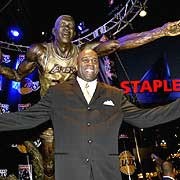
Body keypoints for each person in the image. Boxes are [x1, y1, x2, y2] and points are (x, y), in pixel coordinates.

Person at [1, 15, 180, 179]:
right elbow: (17, 76)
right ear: (54, 31)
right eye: (62, 25)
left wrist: (161, 31)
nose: (66, 29)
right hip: (51, 110)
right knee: (49, 168)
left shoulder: (84, 54)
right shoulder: (39, 52)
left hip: (75, 116)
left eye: (71, 26)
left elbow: (118, 43)